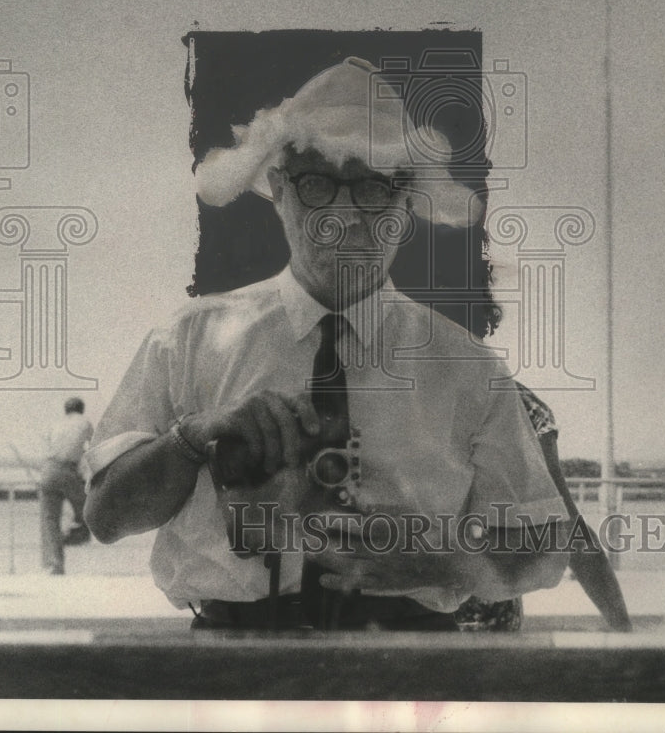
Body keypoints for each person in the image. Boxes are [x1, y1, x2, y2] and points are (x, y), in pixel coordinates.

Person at [84, 56, 572, 630]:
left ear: (406, 204)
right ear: (278, 190)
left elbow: (544, 545)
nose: (341, 217)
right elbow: (105, 518)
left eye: (371, 188)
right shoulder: (189, 339)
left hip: (409, 666)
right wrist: (191, 439)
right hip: (230, 664)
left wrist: (442, 560)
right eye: (317, 184)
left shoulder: (466, 366)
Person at [455, 381, 632, 631]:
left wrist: (624, 631)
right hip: (464, 619)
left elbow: (569, 530)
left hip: (475, 621)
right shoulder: (513, 402)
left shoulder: (514, 403)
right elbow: (572, 533)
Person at [39, 396, 93, 575]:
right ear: (81, 409)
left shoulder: (56, 423)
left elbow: (48, 447)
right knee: (87, 512)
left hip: (48, 471)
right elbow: (93, 449)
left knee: (50, 521)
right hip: (68, 471)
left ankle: (56, 564)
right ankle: (73, 537)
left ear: (66, 410)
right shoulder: (85, 423)